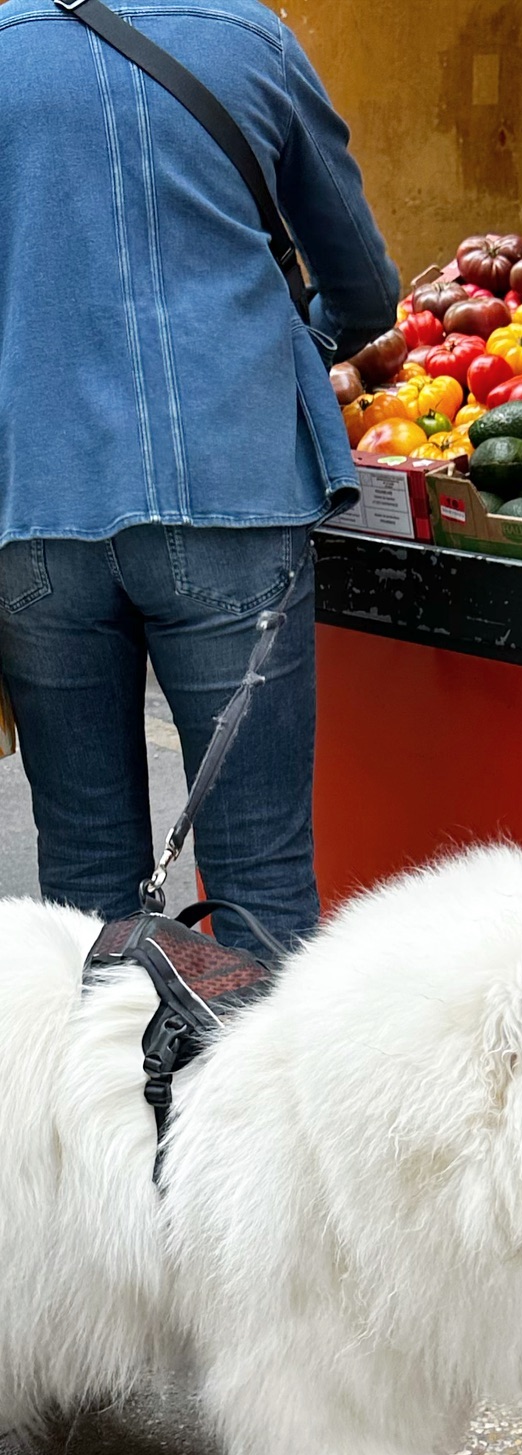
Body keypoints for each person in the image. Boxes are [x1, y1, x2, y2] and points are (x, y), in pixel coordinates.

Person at [0, 0, 398, 953]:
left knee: (86, 881)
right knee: (257, 869)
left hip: (37, 500)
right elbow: (364, 285)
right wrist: (298, 351)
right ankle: (248, 1102)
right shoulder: (250, 38)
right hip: (230, 487)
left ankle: (104, 1097)